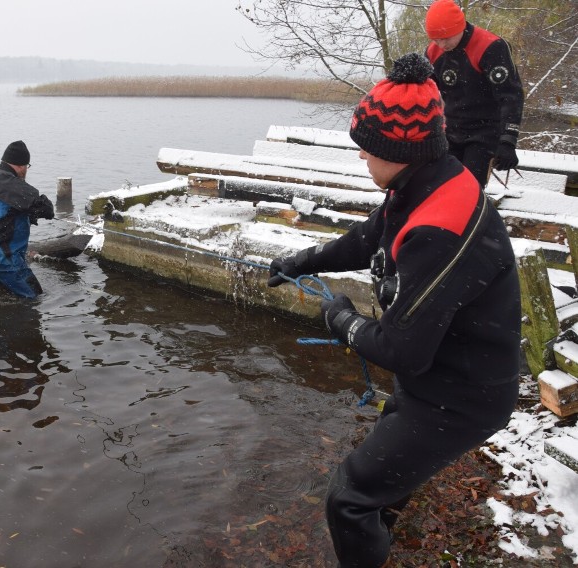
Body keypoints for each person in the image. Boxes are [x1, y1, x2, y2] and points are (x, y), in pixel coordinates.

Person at [268, 53, 520, 567]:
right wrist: (299, 260)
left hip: (462, 397)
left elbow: (402, 349)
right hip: (439, 377)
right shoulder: (423, 182)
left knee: (348, 498)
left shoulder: (439, 226)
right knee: (380, 481)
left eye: (366, 148)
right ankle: (381, 527)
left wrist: (340, 319)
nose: (361, 157)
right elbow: (367, 238)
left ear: (397, 148)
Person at [424, 0, 524, 187]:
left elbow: (511, 96)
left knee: (468, 189)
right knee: (440, 187)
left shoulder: (491, 47)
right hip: (451, 130)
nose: (441, 44)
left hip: (485, 132)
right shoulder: (433, 51)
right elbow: (423, 91)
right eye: (436, 38)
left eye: (446, 37)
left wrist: (508, 141)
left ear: (459, 27)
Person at [0, 140, 54, 298]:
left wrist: (29, 215)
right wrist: (38, 212)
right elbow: (47, 208)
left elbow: (3, 212)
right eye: (27, 166)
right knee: (34, 295)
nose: (26, 171)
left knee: (6, 293)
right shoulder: (12, 185)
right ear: (21, 165)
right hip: (2, 256)